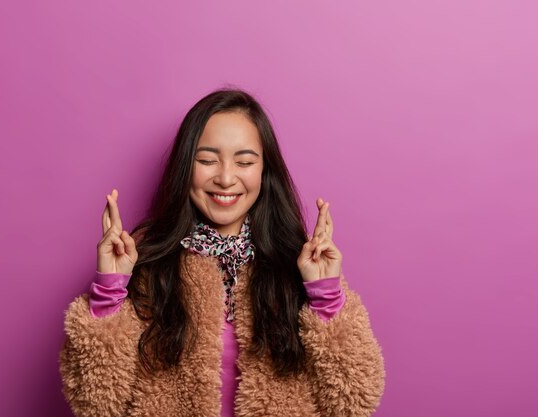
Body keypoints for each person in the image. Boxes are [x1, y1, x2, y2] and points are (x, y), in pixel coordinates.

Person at [59, 88, 385, 416]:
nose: (226, 178)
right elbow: (95, 404)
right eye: (207, 160)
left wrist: (326, 298)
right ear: (186, 166)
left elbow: (353, 402)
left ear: (264, 171)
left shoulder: (297, 267)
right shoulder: (149, 267)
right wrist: (109, 289)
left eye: (244, 161)